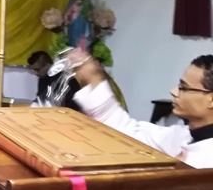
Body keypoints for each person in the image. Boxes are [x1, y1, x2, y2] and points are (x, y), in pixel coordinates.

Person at [71, 50, 213, 168]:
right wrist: (94, 79)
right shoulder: (181, 135)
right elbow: (129, 133)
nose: (174, 92)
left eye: (184, 88)